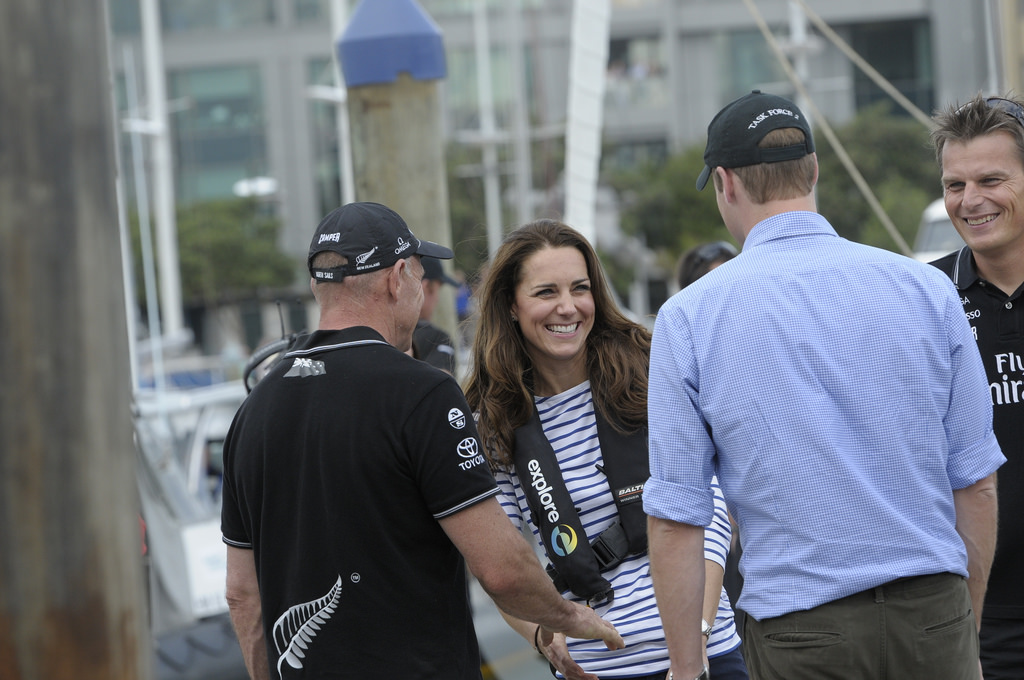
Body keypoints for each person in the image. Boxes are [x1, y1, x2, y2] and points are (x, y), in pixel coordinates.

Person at [643, 90, 1005, 680]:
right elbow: (977, 484)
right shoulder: (926, 290)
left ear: (726, 184)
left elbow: (677, 520)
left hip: (803, 633)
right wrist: (962, 624)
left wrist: (687, 668)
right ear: (813, 170)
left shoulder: (688, 319)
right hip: (933, 616)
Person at [220, 202, 622, 680]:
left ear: (317, 285)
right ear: (398, 279)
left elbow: (242, 595)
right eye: (418, 275)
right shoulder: (422, 392)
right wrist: (572, 617)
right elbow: (501, 569)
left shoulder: (253, 411)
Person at [464, 219, 747, 680]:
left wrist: (694, 640)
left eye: (580, 288)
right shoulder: (493, 420)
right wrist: (543, 635)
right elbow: (500, 564)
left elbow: (709, 513)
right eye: (545, 293)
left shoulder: (653, 369)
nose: (567, 307)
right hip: (596, 669)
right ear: (511, 306)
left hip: (705, 655)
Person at [930, 93, 1024, 679]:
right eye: (955, 184)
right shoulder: (923, 299)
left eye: (991, 179)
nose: (971, 201)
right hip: (978, 616)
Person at [413, 255, 459, 374]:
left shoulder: (383, 333)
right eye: (438, 290)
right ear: (425, 287)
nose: (437, 299)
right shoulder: (438, 338)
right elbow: (442, 388)